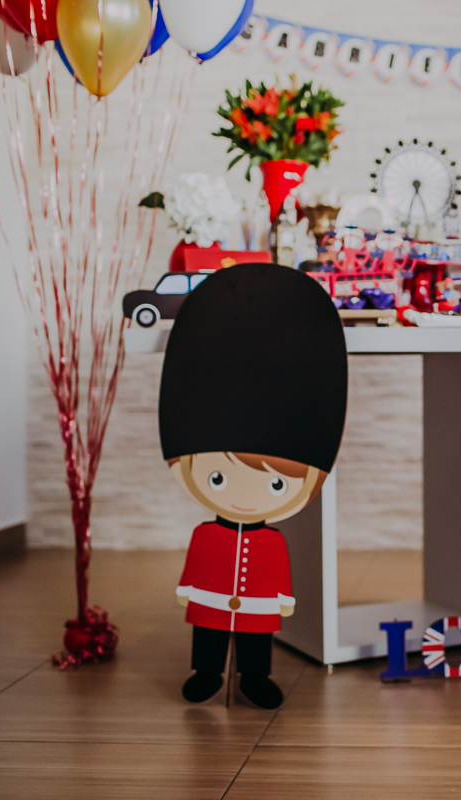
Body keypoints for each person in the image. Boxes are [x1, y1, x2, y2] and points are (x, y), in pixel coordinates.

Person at [158, 264, 348, 708]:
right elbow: (193, 571)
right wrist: (187, 590)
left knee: (256, 640)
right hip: (208, 600)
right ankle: (206, 673)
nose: (243, 495)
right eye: (218, 477)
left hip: (258, 607)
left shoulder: (272, 542)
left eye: (278, 484)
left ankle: (253, 679)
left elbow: (279, 578)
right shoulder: (205, 534)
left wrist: (282, 601)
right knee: (208, 636)